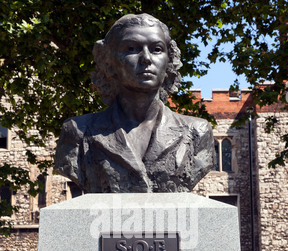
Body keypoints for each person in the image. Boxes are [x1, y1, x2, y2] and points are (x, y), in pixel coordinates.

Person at [54, 13, 215, 193]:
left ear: (169, 61)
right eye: (131, 48)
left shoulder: (197, 132)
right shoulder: (77, 132)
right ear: (109, 63)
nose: (146, 58)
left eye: (156, 49)